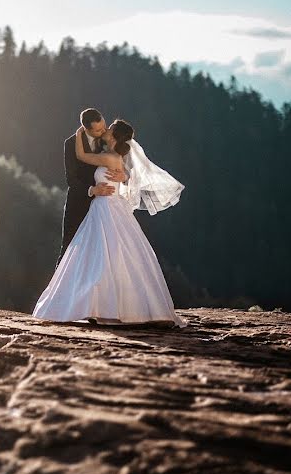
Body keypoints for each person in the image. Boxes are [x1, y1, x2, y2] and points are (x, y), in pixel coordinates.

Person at [33, 119, 187, 327]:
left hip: (105, 206)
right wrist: (123, 176)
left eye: (109, 128)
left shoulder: (109, 156)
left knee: (103, 254)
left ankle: (101, 307)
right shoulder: (117, 156)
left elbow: (82, 156)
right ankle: (110, 307)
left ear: (114, 137)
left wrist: (79, 134)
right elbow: (123, 174)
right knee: (109, 253)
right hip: (106, 206)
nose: (105, 130)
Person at [57, 109, 126, 267]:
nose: (104, 131)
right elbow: (71, 180)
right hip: (79, 204)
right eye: (98, 130)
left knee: (103, 253)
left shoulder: (108, 139)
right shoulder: (71, 143)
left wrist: (124, 176)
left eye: (104, 126)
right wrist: (92, 190)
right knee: (69, 250)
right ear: (86, 129)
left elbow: (124, 164)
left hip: (105, 210)